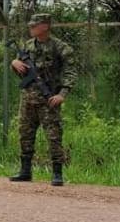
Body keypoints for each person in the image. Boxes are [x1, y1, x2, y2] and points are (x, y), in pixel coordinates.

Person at [9, 14, 77, 186]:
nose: (31, 28)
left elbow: (71, 72)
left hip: (49, 99)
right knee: (25, 134)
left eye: (35, 25)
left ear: (45, 27)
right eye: (31, 25)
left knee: (54, 136)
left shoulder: (61, 47)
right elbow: (22, 72)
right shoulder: (27, 46)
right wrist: (14, 64)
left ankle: (57, 173)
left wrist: (62, 94)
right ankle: (25, 171)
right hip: (28, 98)